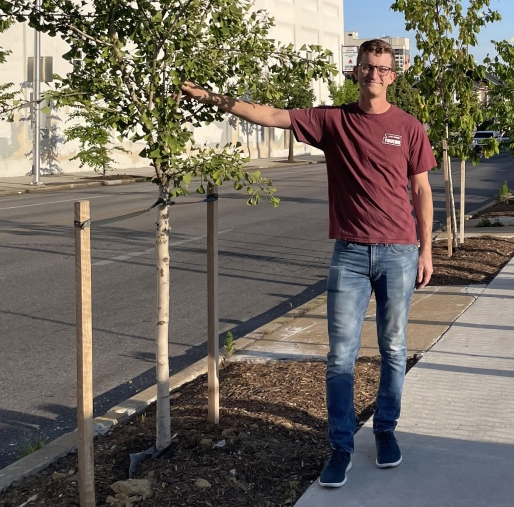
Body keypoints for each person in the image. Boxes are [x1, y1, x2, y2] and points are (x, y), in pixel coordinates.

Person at [181, 38, 436, 489]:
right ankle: (340, 447)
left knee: (394, 348)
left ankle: (385, 430)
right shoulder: (333, 120)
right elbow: (272, 114)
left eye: (382, 68)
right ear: (355, 71)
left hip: (399, 252)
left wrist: (426, 248)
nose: (374, 73)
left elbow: (420, 190)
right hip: (351, 254)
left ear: (392, 75)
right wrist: (212, 97)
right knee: (340, 356)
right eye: (367, 66)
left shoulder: (409, 127)